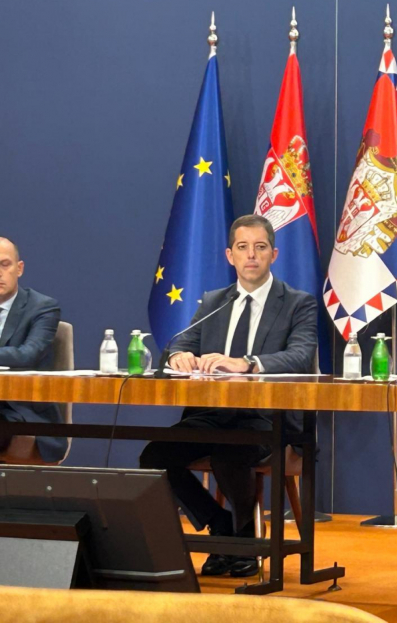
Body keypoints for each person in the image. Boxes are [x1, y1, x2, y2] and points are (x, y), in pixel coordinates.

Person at [140, 215, 317, 578]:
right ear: (229, 255)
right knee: (154, 456)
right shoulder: (214, 301)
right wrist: (178, 356)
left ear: (273, 254)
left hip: (268, 417)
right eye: (242, 247)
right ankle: (219, 525)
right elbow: (179, 344)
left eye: (260, 247)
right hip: (213, 413)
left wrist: (248, 363)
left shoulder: (298, 303)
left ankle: (245, 542)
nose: (251, 255)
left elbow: (300, 356)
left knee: (229, 450)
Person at [0, 237, 65, 463]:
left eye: (4, 264)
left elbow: (29, 354)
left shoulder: (42, 307)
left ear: (19, 269)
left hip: (21, 410)